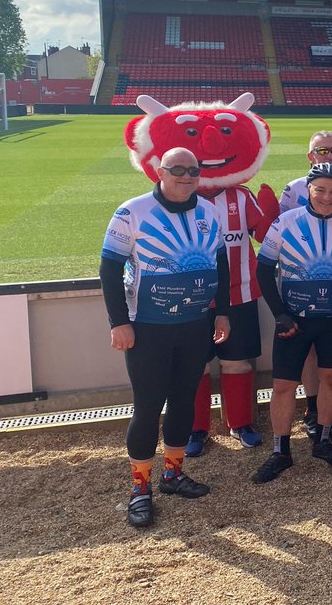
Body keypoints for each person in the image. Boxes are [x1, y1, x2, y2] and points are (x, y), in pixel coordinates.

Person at [100, 147, 231, 527]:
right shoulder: (132, 211)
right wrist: (118, 322)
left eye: (194, 170)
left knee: (184, 401)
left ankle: (172, 474)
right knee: (147, 406)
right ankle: (140, 488)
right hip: (148, 327)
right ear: (160, 171)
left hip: (194, 324)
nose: (187, 176)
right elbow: (109, 269)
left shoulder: (209, 211)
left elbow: (220, 264)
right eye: (178, 169)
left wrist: (221, 311)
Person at [250, 163, 332, 484]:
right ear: (308, 190)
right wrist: (280, 314)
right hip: (294, 322)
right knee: (283, 386)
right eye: (320, 189)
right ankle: (281, 451)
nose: (327, 196)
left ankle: (321, 442)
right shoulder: (285, 222)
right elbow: (263, 270)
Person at [278, 130, 332, 443]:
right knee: (310, 351)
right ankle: (312, 408)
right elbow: (281, 232)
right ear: (310, 156)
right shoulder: (293, 189)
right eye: (321, 150)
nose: (328, 154)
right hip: (303, 281)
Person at [186, 157, 272, 457]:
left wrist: (270, 213)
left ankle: (241, 423)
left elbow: (263, 235)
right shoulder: (182, 195)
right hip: (194, 298)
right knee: (193, 366)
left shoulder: (241, 195)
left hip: (240, 294)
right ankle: (196, 428)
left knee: (237, 363)